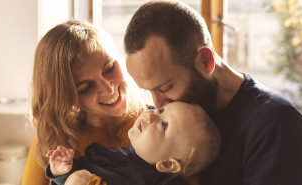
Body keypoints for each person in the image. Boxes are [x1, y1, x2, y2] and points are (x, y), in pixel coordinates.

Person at [123, 1, 302, 185]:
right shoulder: (160, 121)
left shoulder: (275, 124)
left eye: (165, 88)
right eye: (148, 91)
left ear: (205, 61)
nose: (157, 105)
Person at [21, 20, 146, 185]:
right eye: (86, 88)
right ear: (65, 97)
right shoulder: (52, 145)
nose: (108, 89)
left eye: (109, 68)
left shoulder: (159, 126)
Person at [46, 102, 221, 185]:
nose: (151, 113)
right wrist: (62, 171)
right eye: (161, 110)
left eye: (164, 124)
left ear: (168, 163)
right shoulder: (105, 155)